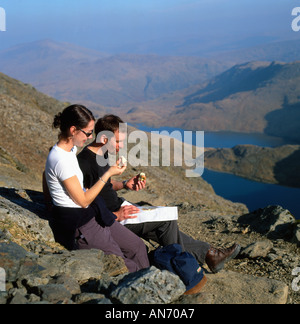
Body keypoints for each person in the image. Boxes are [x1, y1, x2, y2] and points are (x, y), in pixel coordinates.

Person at [77, 114, 241, 274]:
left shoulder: (103, 153)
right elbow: (82, 201)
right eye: (119, 141)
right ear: (104, 139)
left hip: (121, 206)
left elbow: (104, 185)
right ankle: (181, 268)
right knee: (167, 223)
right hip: (113, 219)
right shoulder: (84, 162)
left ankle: (209, 255)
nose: (121, 146)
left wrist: (125, 184)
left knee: (161, 219)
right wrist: (114, 215)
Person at [44, 105, 150, 273]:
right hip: (81, 224)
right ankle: (145, 287)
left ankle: (149, 283)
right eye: (87, 133)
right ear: (73, 130)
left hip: (93, 214)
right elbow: (83, 200)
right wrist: (108, 173)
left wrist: (49, 201)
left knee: (137, 246)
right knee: (123, 265)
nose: (90, 137)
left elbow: (46, 174)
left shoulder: (70, 150)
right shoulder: (60, 159)